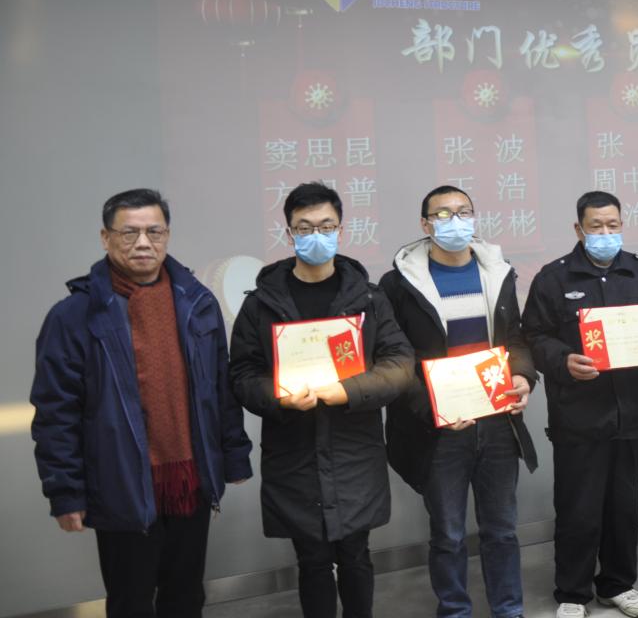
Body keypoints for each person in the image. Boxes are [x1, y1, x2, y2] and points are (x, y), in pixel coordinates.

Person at [30, 188, 253, 618]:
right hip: (122, 484)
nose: (143, 243)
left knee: (185, 597)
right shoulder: (75, 316)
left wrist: (234, 456)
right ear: (105, 238)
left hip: (190, 479)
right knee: (131, 602)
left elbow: (219, 388)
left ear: (167, 235)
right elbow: (56, 413)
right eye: (129, 233)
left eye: (155, 231)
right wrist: (66, 492)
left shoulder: (198, 303)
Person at [229, 182, 414, 618]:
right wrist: (279, 397)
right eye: (305, 227)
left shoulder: (369, 298)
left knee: (355, 555)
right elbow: (242, 375)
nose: (317, 235)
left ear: (341, 231)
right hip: (294, 450)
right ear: (289, 233)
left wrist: (347, 390)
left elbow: (400, 362)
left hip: (354, 448)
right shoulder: (261, 305)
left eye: (326, 226)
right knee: (311, 561)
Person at [380, 185, 536, 618]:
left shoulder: (497, 272)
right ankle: (454, 610)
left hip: (497, 421)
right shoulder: (399, 283)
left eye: (463, 212)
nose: (455, 221)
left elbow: (515, 338)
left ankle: (509, 609)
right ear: (425, 224)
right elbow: (394, 358)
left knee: (502, 529)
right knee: (448, 534)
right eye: (443, 214)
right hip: (439, 427)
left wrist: (522, 375)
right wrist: (432, 408)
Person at [522, 191, 638, 618]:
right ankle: (572, 593)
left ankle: (618, 584)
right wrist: (563, 361)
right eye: (596, 226)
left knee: (623, 506)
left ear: (622, 225)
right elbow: (533, 336)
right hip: (578, 414)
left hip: (631, 412)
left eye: (613, 225)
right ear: (579, 229)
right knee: (578, 508)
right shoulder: (554, 279)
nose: (605, 233)